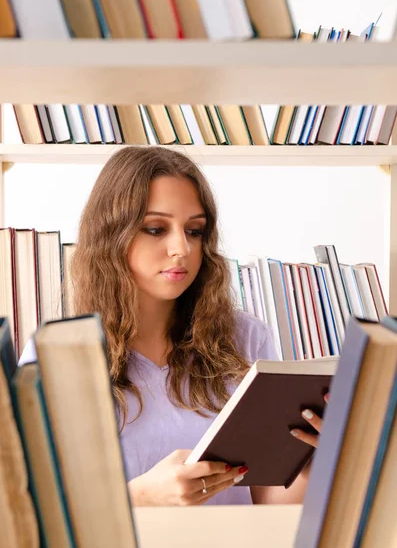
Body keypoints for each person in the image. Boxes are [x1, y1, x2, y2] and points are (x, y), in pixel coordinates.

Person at [19, 146, 325, 506]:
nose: (181, 248)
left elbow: (265, 500)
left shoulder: (246, 338)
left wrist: (312, 460)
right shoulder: (56, 352)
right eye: (155, 228)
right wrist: (140, 496)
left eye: (194, 231)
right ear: (111, 236)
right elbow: (29, 507)